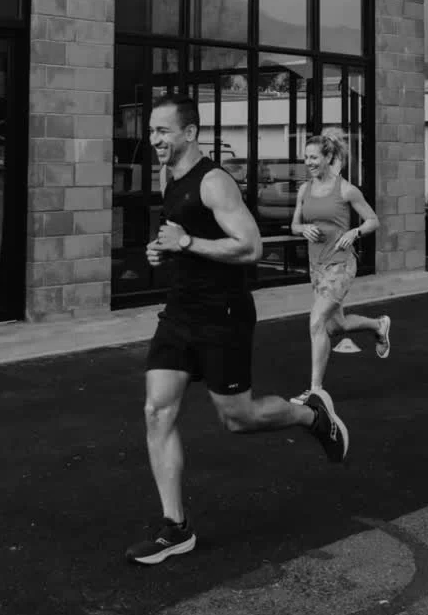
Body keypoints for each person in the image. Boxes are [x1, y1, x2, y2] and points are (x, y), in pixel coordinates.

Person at [126, 94, 350, 566]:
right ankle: (175, 528)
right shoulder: (170, 178)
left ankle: (311, 416)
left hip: (222, 313)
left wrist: (187, 241)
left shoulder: (213, 181)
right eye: (151, 131)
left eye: (163, 131)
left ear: (190, 132)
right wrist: (163, 249)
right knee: (156, 411)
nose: (154, 140)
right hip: (179, 311)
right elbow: (181, 238)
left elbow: (249, 247)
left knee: (238, 418)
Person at [289, 130, 390, 405]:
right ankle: (378, 325)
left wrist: (355, 232)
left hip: (341, 265)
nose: (309, 162)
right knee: (336, 326)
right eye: (306, 157)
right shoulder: (304, 189)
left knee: (316, 321)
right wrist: (303, 228)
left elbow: (373, 220)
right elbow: (294, 224)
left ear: (327, 157)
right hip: (317, 266)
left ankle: (315, 390)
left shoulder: (346, 190)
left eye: (314, 157)